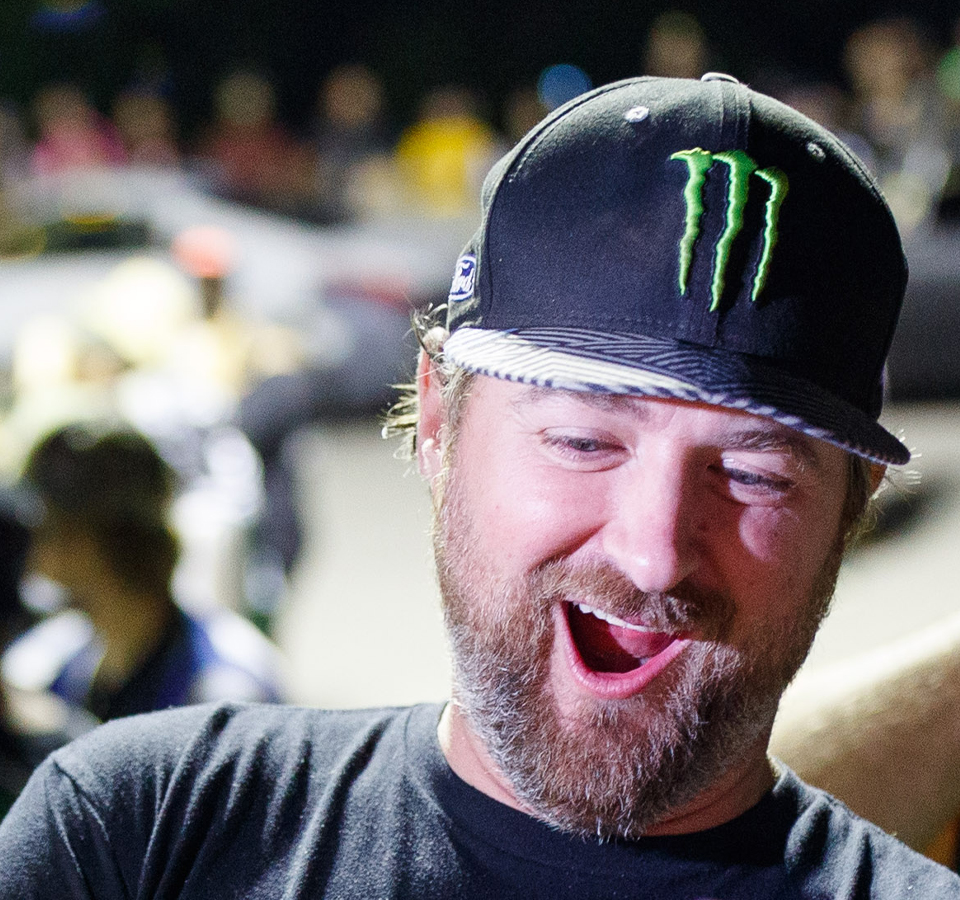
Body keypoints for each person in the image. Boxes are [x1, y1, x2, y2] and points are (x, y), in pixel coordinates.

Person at [2, 73, 958, 897]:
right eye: (583, 441)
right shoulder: (138, 833)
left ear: (855, 502)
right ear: (438, 420)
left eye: (753, 473)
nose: (654, 550)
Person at [1, 422, 288, 722]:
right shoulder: (56, 662)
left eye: (48, 529)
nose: (34, 552)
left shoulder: (226, 690)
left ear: (82, 542)